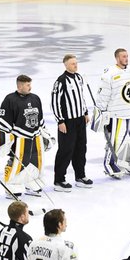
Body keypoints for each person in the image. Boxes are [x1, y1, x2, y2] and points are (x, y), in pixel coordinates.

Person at [94, 49, 130, 179]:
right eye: (123, 56)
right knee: (114, 141)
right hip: (116, 114)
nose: (126, 58)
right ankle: (110, 162)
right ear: (117, 58)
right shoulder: (110, 73)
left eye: (127, 56)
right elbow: (104, 94)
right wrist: (101, 111)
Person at [0, 75, 51, 196]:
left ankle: (31, 183)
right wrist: (5, 142)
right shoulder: (10, 99)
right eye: (27, 85)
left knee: (35, 161)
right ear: (20, 86)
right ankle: (11, 186)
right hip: (19, 138)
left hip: (35, 137)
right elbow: (3, 122)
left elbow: (40, 119)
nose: (30, 87)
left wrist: (45, 135)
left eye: (30, 84)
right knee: (17, 162)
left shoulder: (36, 98)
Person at [50, 54, 93, 192]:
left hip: (80, 120)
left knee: (81, 148)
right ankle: (59, 180)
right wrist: (60, 121)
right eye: (73, 63)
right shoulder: (60, 81)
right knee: (66, 150)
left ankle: (80, 176)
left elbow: (81, 97)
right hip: (67, 121)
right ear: (66, 65)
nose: (76, 65)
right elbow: (55, 102)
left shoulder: (79, 77)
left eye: (76, 63)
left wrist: (85, 112)